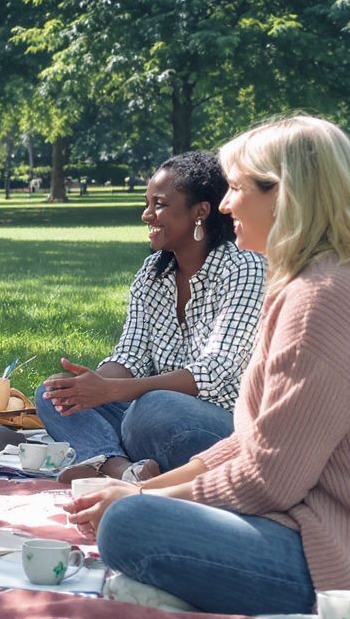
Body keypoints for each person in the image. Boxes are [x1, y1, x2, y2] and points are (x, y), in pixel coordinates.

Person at [70, 116, 350, 615]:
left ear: (285, 196)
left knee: (130, 528)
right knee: (135, 507)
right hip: (316, 524)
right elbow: (252, 441)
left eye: (236, 188)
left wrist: (140, 505)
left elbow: (267, 481)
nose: (223, 204)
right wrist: (141, 487)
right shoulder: (317, 284)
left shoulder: (323, 298)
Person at [35, 152, 265, 482]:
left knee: (153, 409)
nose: (146, 215)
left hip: (222, 425)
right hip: (149, 414)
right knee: (51, 395)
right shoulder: (153, 274)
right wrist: (90, 386)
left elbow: (217, 369)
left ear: (200, 211)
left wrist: (113, 391)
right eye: (147, 203)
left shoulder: (244, 268)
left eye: (159, 204)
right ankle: (122, 469)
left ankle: (104, 453)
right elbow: (131, 354)